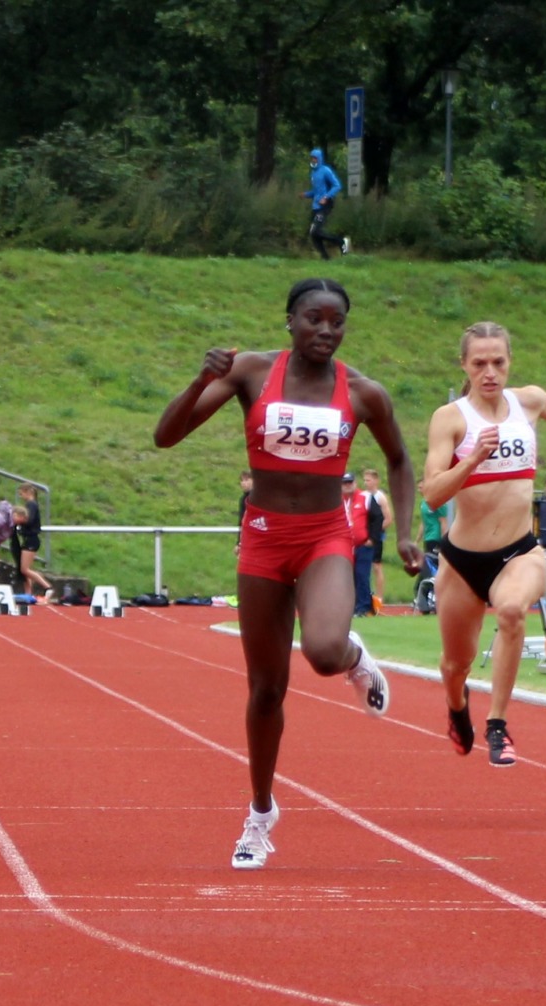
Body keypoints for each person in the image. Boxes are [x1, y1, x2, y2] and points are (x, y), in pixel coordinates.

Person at [154, 277, 420, 870]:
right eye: (313, 319)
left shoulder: (363, 392)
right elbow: (165, 436)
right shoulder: (250, 372)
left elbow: (399, 460)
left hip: (325, 535)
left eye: (337, 322)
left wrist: (405, 531)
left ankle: (353, 657)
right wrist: (202, 379)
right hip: (264, 540)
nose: (325, 331)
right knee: (266, 689)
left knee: (323, 652)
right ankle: (260, 813)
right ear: (290, 322)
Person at [423, 321, 546, 767]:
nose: (489, 372)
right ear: (464, 364)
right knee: (453, 665)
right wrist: (474, 458)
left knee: (513, 611)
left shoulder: (529, 402)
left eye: (498, 362)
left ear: (509, 363)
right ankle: (457, 706)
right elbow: (433, 493)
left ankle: (497, 725)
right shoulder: (452, 419)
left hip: (520, 551)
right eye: (479, 363)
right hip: (463, 561)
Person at [302, 149, 348, 260]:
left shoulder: (325, 170)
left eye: (315, 158)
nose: (313, 160)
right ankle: (325, 258)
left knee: (316, 230)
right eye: (312, 158)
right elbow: (316, 191)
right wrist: (306, 194)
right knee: (313, 234)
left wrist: (326, 197)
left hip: (325, 205)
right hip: (316, 206)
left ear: (319, 159)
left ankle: (341, 242)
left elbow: (337, 185)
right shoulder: (313, 173)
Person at [10, 483, 52, 596]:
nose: (21, 496)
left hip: (31, 539)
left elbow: (29, 520)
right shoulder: (30, 505)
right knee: (25, 569)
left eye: (22, 493)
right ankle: (28, 592)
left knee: (25, 569)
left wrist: (18, 521)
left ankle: (47, 586)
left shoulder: (32, 505)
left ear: (28, 492)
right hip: (28, 539)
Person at [343, 473, 374, 615]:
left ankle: (364, 606)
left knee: (362, 574)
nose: (348, 485)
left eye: (350, 482)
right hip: (345, 545)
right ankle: (352, 605)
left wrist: (372, 538)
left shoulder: (365, 497)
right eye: (345, 483)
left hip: (363, 544)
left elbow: (377, 517)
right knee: (348, 576)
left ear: (355, 483)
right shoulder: (338, 500)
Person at [360, 467, 390, 607]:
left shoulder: (380, 497)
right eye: (365, 480)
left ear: (376, 481)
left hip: (376, 535)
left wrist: (375, 532)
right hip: (364, 536)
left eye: (369, 480)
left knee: (376, 566)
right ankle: (365, 595)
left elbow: (388, 518)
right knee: (363, 566)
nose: (366, 483)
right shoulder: (363, 495)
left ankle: (379, 597)